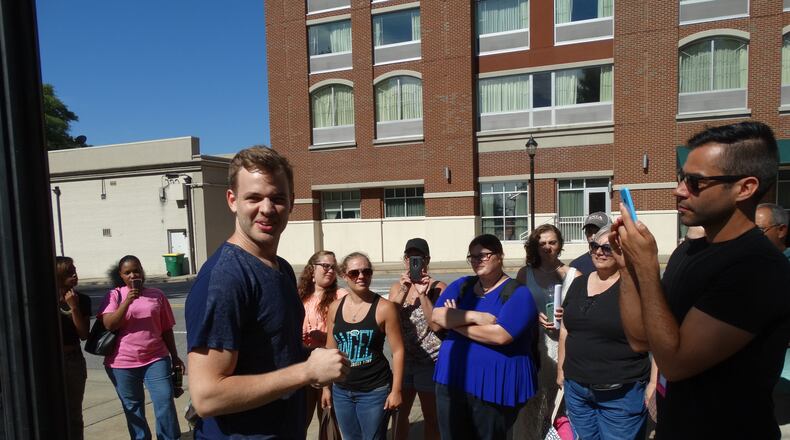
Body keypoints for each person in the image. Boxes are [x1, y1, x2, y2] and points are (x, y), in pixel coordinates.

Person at [612, 121, 790, 438]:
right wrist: (627, 268)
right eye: (682, 178)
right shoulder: (689, 251)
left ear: (745, 188)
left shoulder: (758, 268)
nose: (679, 190)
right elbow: (641, 340)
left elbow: (675, 364)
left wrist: (647, 266)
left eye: (695, 182)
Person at [185, 146, 349, 439]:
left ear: (291, 202)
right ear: (232, 200)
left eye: (277, 198)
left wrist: (312, 355)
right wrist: (307, 372)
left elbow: (272, 352)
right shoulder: (226, 278)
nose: (267, 208)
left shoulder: (280, 268)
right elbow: (207, 397)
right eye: (254, 198)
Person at [431, 234, 539, 439]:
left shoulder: (519, 293)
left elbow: (500, 335)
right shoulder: (462, 285)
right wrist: (475, 316)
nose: (477, 260)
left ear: (500, 256)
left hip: (492, 383)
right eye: (472, 257)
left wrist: (455, 322)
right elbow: (437, 317)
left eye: (483, 255)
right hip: (450, 378)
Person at [557, 229, 653, 439]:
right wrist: (561, 370)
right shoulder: (578, 282)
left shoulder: (636, 286)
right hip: (577, 390)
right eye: (595, 247)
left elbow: (657, 338)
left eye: (607, 248)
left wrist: (654, 383)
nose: (599, 252)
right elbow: (566, 328)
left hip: (621, 393)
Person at [98, 255, 182, 440]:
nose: (133, 275)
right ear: (121, 275)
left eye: (136, 271)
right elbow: (110, 324)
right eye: (127, 272)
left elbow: (166, 328)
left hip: (156, 358)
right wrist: (127, 301)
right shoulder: (115, 295)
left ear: (142, 271)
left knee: (165, 401)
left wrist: (175, 357)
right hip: (122, 363)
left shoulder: (157, 295)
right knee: (133, 408)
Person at [322, 252, 404, 440]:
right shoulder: (335, 307)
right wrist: (326, 388)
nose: (361, 276)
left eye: (366, 272)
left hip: (374, 390)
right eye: (354, 273)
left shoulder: (385, 308)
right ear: (344, 275)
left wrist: (396, 391)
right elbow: (330, 349)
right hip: (341, 390)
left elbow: (398, 351)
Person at [515, 224, 580, 440]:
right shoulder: (525, 274)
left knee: (559, 407)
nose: (547, 247)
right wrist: (533, 316)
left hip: (563, 348)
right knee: (531, 406)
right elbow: (515, 310)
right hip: (534, 347)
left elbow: (583, 317)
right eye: (542, 243)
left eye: (552, 242)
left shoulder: (574, 276)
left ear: (560, 244)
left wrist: (567, 316)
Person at [387, 238, 446, 440]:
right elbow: (388, 318)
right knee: (399, 414)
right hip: (404, 360)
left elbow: (436, 325)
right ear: (405, 260)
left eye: (418, 258)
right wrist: (404, 289)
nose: (413, 262)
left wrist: (423, 294)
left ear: (427, 260)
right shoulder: (397, 287)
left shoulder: (439, 287)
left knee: (432, 418)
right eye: (409, 258)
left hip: (430, 361)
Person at [297, 250, 349, 427]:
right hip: (303, 363)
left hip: (329, 363)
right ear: (312, 269)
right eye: (326, 266)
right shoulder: (300, 295)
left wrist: (325, 337)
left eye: (333, 267)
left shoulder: (340, 295)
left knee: (328, 422)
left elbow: (350, 329)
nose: (330, 270)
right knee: (299, 421)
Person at [55, 256, 91, 440]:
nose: (75, 275)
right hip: (50, 360)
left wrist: (74, 307)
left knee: (74, 413)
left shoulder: (82, 300)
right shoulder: (43, 299)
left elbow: (83, 334)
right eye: (69, 272)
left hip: (73, 360)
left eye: (75, 271)